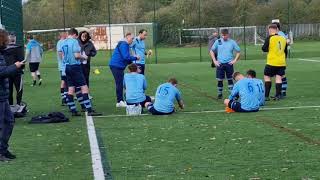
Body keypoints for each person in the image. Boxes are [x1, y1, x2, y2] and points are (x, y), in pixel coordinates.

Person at [60, 28, 101, 116]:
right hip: (75, 66)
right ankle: (89, 110)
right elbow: (76, 55)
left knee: (71, 89)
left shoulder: (63, 42)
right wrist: (84, 57)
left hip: (67, 67)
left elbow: (62, 55)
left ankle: (73, 110)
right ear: (75, 34)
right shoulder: (74, 42)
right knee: (84, 87)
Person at [0, 29, 25, 161]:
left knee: (9, 122)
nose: (8, 42)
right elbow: (1, 72)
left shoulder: (2, 53)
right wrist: (15, 66)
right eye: (6, 40)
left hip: (2, 96)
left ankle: (3, 149)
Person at [109, 32, 140, 108]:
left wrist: (132, 60)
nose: (132, 40)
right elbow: (125, 57)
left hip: (117, 66)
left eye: (133, 39)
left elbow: (126, 58)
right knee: (119, 83)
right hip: (116, 66)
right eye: (131, 38)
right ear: (127, 37)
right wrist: (135, 57)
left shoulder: (125, 44)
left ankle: (120, 100)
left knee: (120, 83)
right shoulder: (124, 44)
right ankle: (119, 101)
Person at [210, 29, 241, 99]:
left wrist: (235, 60)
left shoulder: (232, 42)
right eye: (222, 35)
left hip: (229, 64)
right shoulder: (218, 41)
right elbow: (211, 51)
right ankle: (219, 94)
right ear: (221, 35)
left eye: (225, 35)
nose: (224, 37)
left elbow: (238, 51)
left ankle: (232, 95)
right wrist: (214, 61)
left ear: (228, 35)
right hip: (220, 64)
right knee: (220, 79)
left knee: (230, 79)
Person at [262, 24, 288, 101]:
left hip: (272, 62)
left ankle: (266, 96)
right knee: (278, 77)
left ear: (270, 30)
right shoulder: (283, 38)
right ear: (277, 30)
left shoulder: (269, 38)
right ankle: (278, 95)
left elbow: (264, 49)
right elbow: (285, 51)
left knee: (267, 76)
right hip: (281, 62)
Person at [4, 32, 24, 105]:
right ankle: (18, 105)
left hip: (7, 72)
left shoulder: (4, 49)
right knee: (19, 89)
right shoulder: (18, 48)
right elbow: (22, 60)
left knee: (9, 90)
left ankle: (10, 106)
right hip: (17, 72)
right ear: (14, 38)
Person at [272, 19, 290, 97]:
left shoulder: (279, 34)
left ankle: (282, 92)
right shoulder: (281, 34)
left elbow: (286, 43)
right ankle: (282, 91)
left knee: (280, 75)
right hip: (281, 57)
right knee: (280, 75)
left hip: (279, 58)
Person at [56, 32, 67, 105]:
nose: (66, 34)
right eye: (65, 33)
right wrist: (63, 61)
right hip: (63, 66)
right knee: (64, 81)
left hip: (64, 65)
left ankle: (66, 97)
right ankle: (64, 98)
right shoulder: (60, 42)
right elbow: (60, 52)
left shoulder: (64, 41)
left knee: (65, 81)